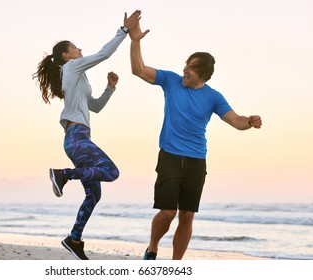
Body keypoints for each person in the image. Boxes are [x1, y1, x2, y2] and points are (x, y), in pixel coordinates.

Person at [129, 21, 262, 260]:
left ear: (203, 75)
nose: (184, 70)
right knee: (168, 212)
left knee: (187, 216)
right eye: (186, 65)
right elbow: (138, 69)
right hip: (170, 156)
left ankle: (176, 265)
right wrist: (135, 39)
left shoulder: (213, 97)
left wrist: (249, 121)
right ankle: (152, 248)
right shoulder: (170, 80)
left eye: (191, 68)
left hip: (196, 161)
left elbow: (235, 120)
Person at [32, 10, 142, 260]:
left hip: (77, 137)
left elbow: (96, 106)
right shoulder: (72, 66)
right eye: (75, 47)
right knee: (111, 171)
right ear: (65, 55)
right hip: (77, 137)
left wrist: (110, 88)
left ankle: (74, 238)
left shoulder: (76, 75)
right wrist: (123, 31)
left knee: (94, 194)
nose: (80, 49)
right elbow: (104, 53)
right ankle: (62, 174)